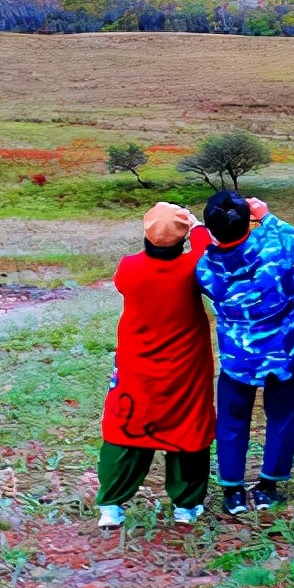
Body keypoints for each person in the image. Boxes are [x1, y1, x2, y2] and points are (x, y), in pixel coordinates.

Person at [97, 202, 215, 529]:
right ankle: (186, 506)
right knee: (188, 427)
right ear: (182, 239)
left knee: (126, 426)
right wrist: (197, 227)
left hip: (138, 366)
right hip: (185, 367)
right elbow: (208, 254)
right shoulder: (193, 267)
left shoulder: (128, 268)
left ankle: (110, 505)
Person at [196, 191, 294, 515]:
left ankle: (233, 492)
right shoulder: (274, 246)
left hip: (239, 358)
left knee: (232, 421)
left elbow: (208, 274)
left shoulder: (206, 268)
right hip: (285, 351)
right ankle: (267, 488)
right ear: (249, 220)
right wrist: (266, 214)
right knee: (282, 417)